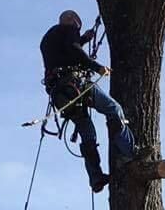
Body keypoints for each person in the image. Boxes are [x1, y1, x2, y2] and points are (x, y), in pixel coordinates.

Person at [40, 10, 136, 192]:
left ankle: (96, 177)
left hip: (61, 94)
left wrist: (83, 39)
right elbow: (73, 50)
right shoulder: (68, 29)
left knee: (87, 132)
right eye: (78, 26)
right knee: (113, 108)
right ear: (72, 21)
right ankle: (130, 152)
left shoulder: (47, 39)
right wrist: (97, 67)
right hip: (76, 84)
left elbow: (65, 51)